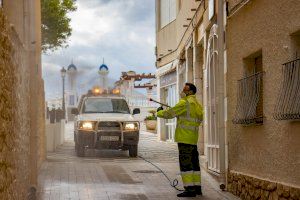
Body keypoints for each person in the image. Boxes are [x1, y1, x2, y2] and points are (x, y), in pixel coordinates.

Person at [157, 83, 203, 197]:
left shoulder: (185, 103)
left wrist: (159, 112)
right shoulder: (197, 104)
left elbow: (169, 113)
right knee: (194, 165)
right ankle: (197, 188)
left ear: (190, 92)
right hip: (193, 139)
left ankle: (189, 190)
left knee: (186, 165)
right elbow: (196, 118)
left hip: (184, 138)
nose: (182, 91)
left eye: (184, 89)